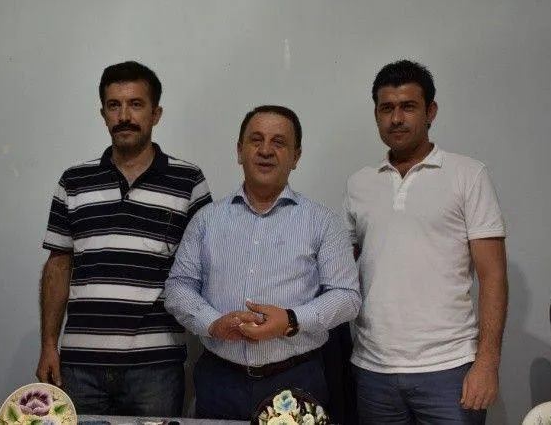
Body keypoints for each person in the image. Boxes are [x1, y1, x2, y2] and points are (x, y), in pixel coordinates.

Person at [36, 61, 212, 416]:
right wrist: (48, 346)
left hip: (156, 367)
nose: (124, 116)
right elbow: (57, 267)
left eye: (136, 104)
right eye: (114, 105)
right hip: (80, 364)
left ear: (155, 113)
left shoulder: (188, 182)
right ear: (103, 115)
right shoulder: (74, 181)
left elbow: (206, 268)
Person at [164, 105, 361, 420]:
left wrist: (291, 320)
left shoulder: (323, 222)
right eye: (256, 140)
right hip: (220, 381)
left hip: (297, 380)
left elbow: (347, 297)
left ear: (296, 156)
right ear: (239, 151)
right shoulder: (206, 220)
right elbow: (178, 287)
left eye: (278, 142)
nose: (266, 150)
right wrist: (213, 323)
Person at [344, 60, 509, 424]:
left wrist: (487, 363)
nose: (396, 118)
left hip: (449, 368)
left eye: (408, 106)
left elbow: (493, 275)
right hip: (372, 369)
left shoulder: (468, 174)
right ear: (376, 114)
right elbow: (342, 269)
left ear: (430, 111)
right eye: (386, 108)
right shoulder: (359, 184)